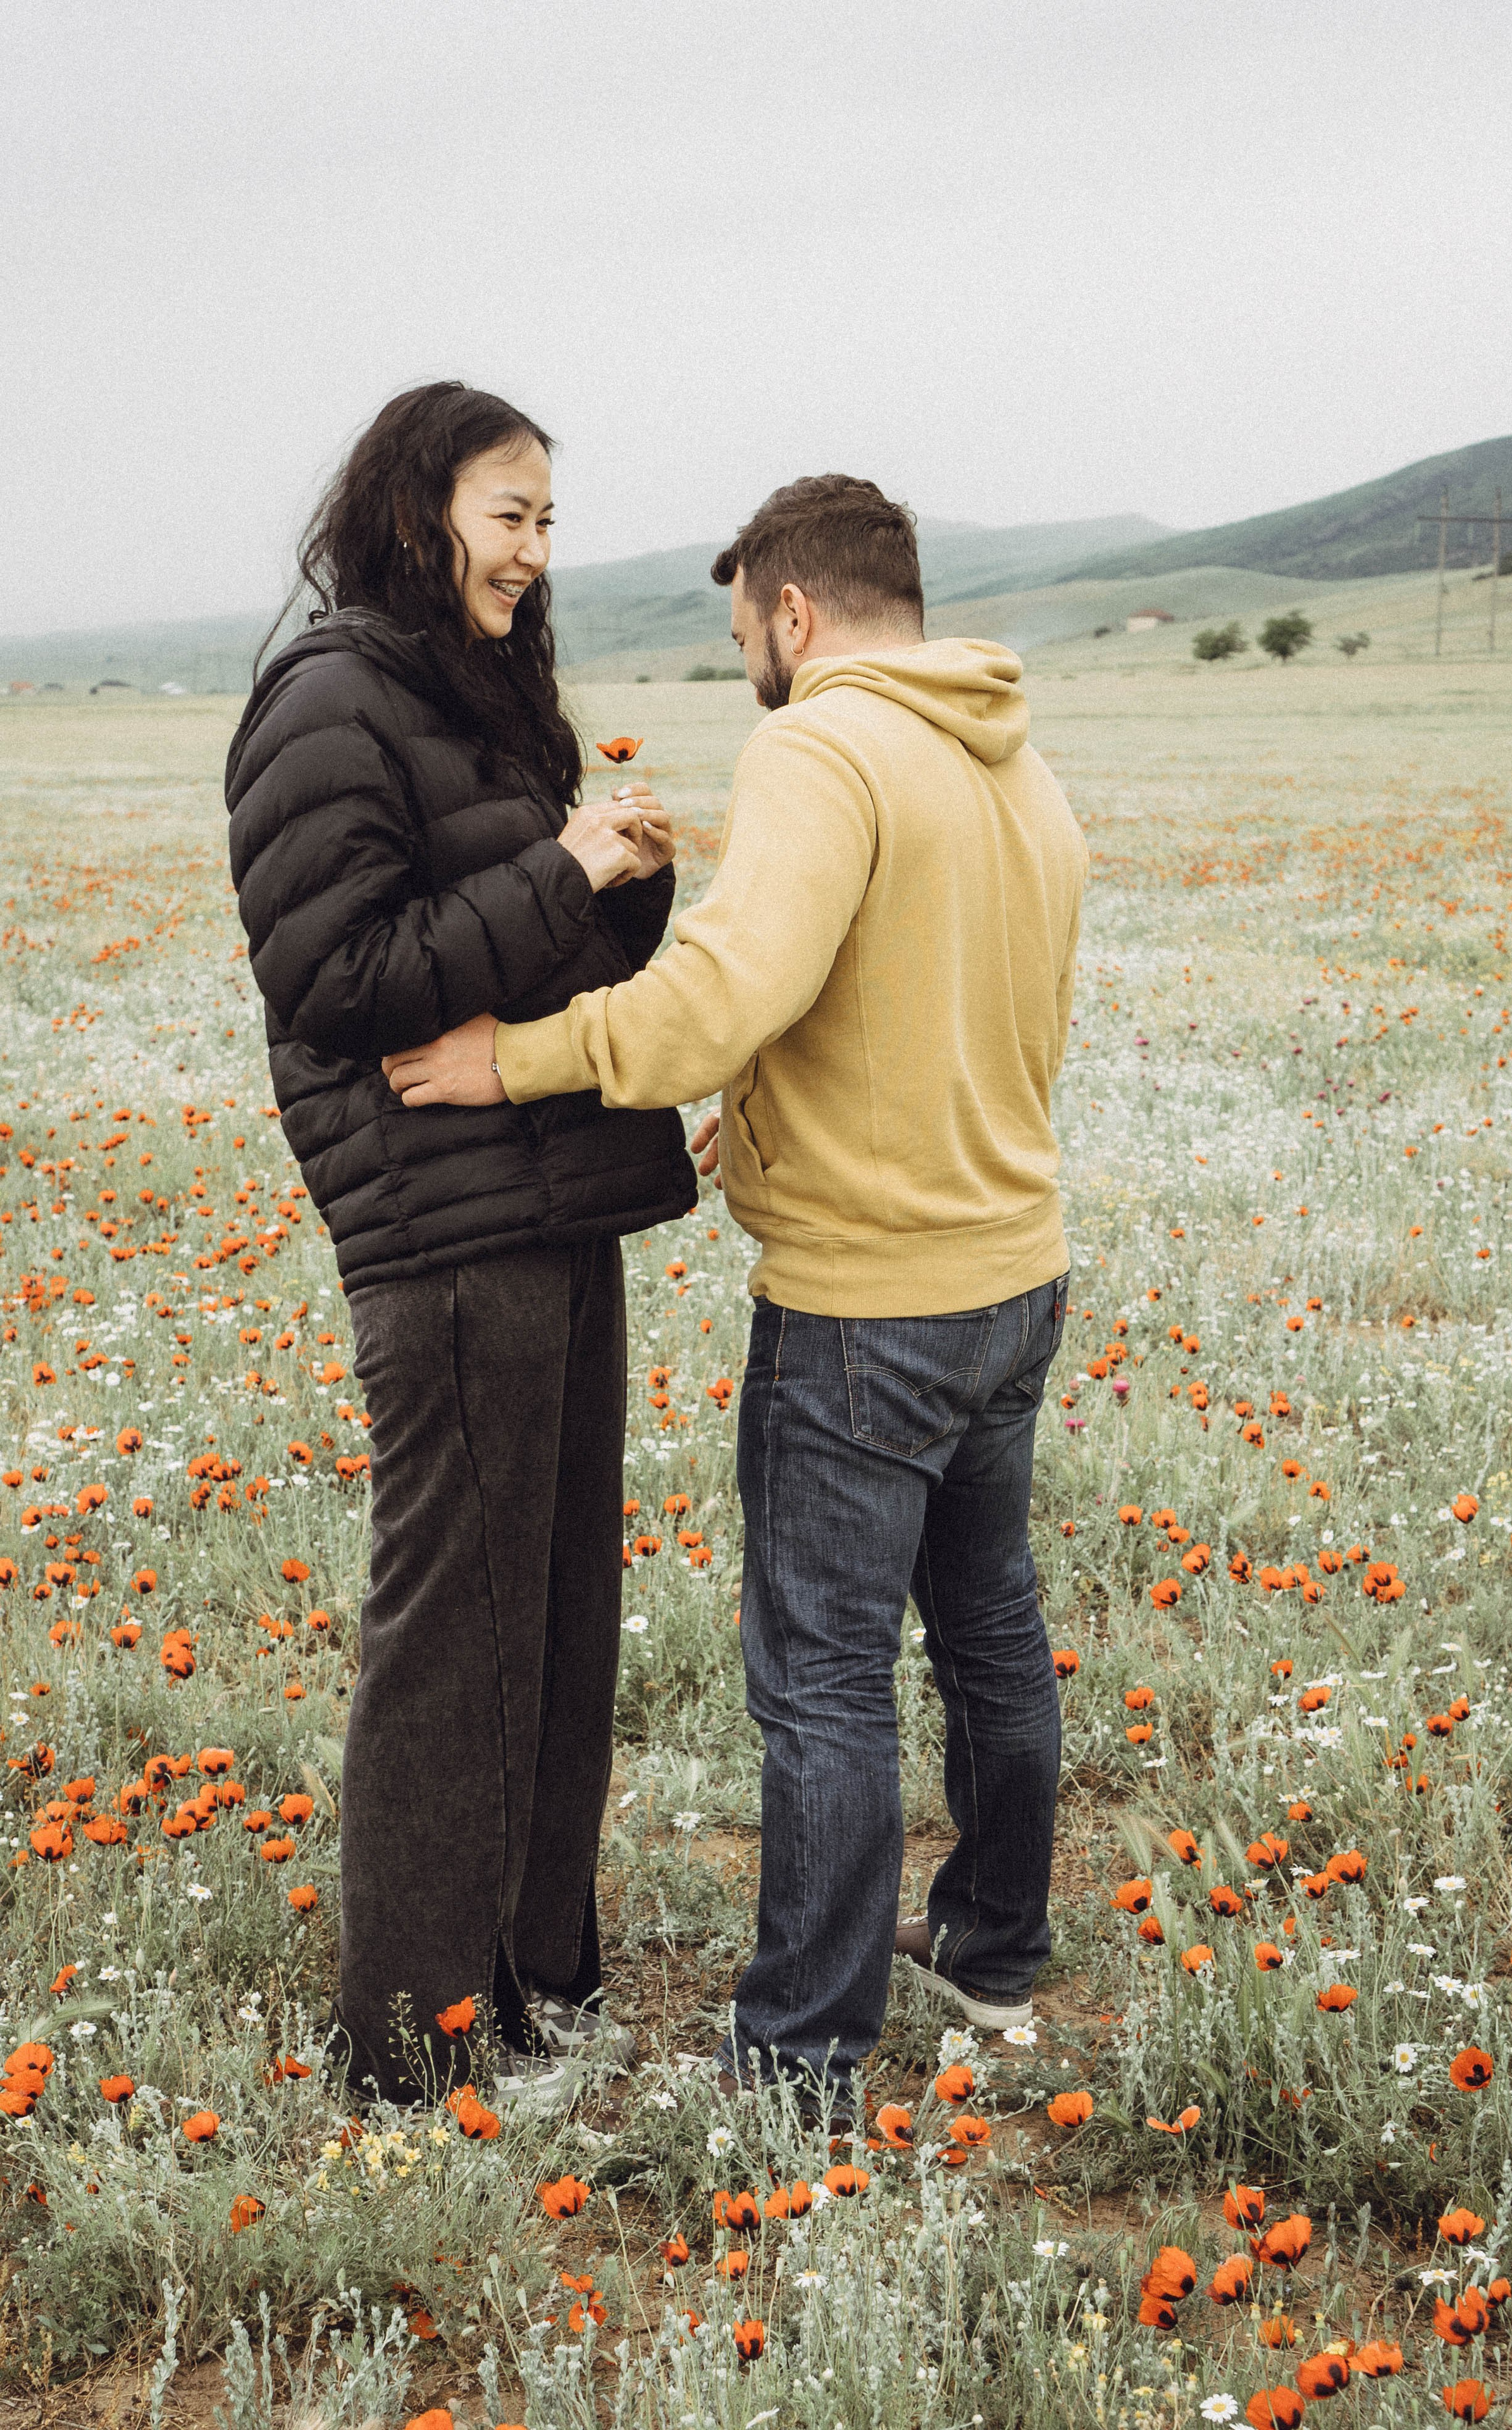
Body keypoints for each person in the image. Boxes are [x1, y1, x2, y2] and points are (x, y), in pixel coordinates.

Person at [381, 474, 1086, 2102]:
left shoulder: (821, 746)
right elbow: (950, 999)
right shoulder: (1011, 758)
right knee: (987, 1628)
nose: (745, 668)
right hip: (1009, 1270)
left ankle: (797, 2061)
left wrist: (518, 1057)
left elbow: (724, 992)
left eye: (739, 634)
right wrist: (772, 1105)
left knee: (824, 1677)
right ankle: (990, 1952)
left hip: (865, 1298)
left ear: (791, 612)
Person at [226, 382, 696, 2109]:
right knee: (456, 1634)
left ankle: (541, 1981)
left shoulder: (473, 700)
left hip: (552, 1202)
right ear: (423, 508)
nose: (535, 551)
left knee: (564, 1615)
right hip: (444, 1233)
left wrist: (619, 879)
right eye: (512, 515)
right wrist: (559, 875)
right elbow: (339, 982)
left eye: (551, 521)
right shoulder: (329, 697)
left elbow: (516, 949)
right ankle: (415, 2044)